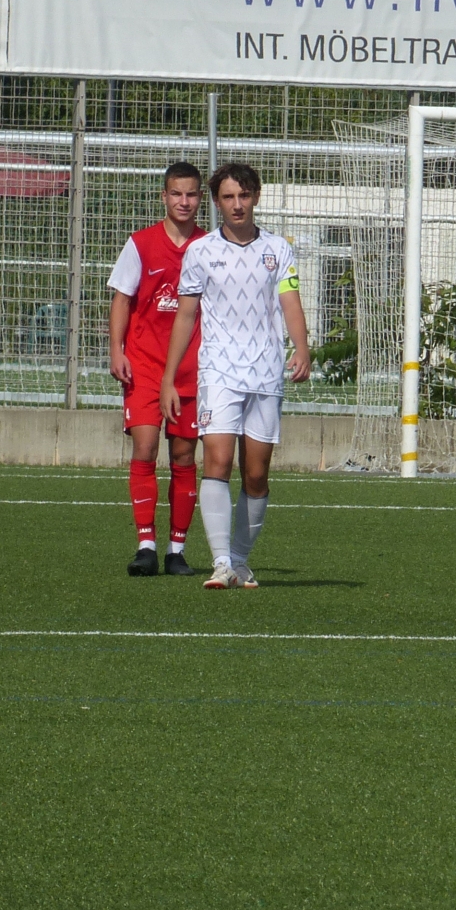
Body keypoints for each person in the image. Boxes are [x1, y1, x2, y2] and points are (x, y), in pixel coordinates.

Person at [160, 162, 312, 590]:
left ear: (256, 197)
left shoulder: (278, 249)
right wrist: (170, 378)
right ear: (216, 202)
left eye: (244, 196)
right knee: (218, 461)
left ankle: (242, 560)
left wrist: (302, 348)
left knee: (256, 475)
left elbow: (290, 301)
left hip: (265, 373)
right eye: (228, 197)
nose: (237, 204)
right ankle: (222, 562)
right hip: (219, 371)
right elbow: (186, 315)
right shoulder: (201, 251)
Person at [108, 162, 203, 577]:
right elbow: (122, 299)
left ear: (200, 199)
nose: (184, 201)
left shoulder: (209, 246)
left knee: (183, 455)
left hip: (191, 370)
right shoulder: (141, 244)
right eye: (176, 193)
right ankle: (145, 545)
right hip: (144, 365)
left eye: (191, 194)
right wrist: (116, 350)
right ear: (164, 197)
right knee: (145, 448)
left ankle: (176, 550)